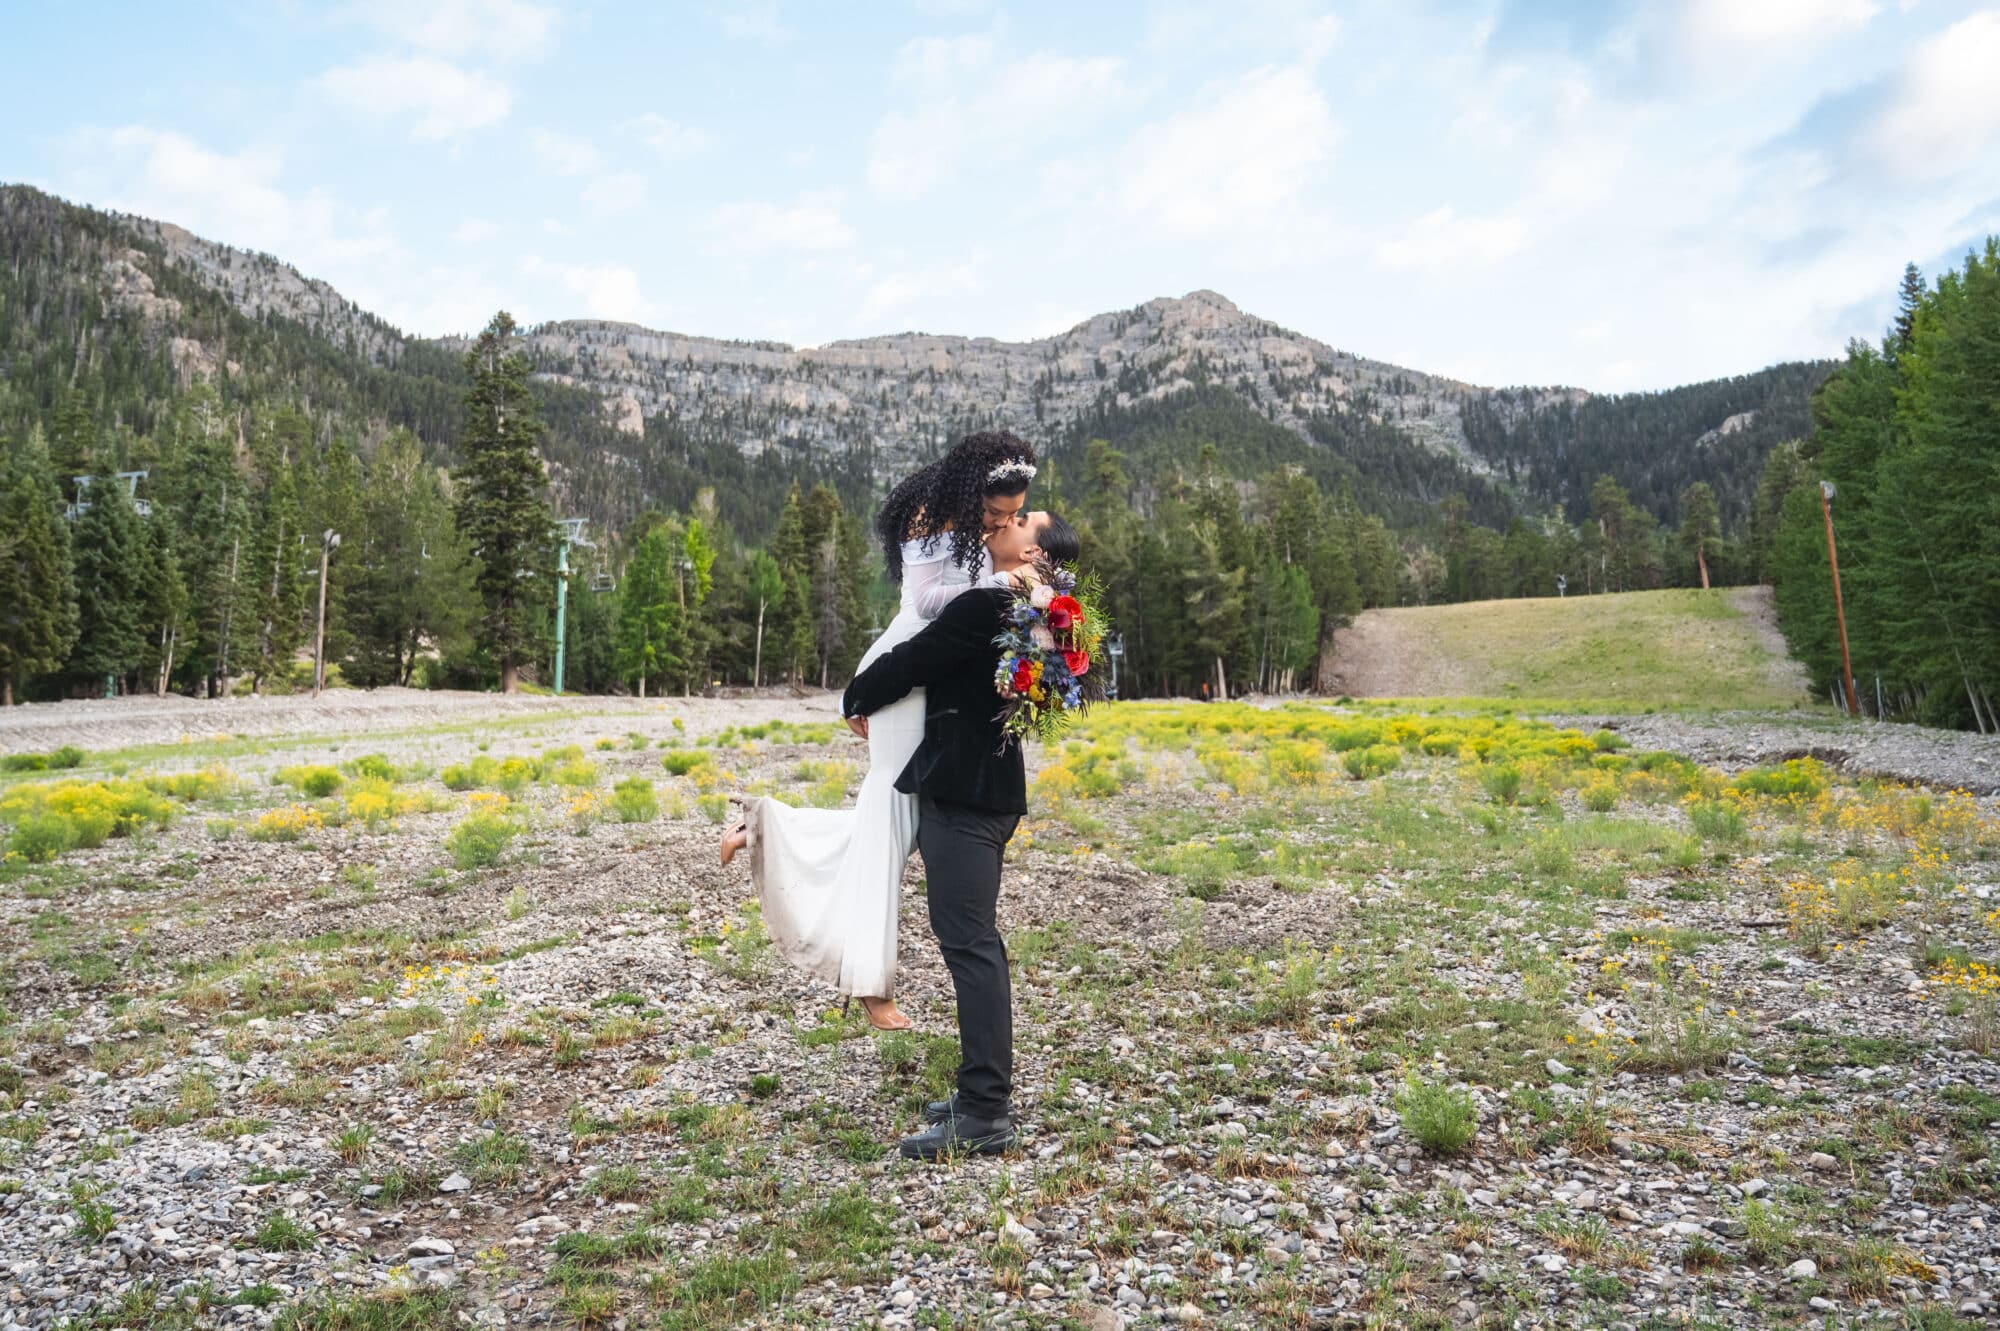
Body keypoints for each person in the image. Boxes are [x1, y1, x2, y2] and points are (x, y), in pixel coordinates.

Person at [718, 430, 1042, 1032]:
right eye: (997, 513)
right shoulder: (929, 514)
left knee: (897, 818)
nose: (1006, 523)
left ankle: (764, 828)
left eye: (1015, 514)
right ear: (971, 491)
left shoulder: (995, 531)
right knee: (892, 821)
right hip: (907, 662)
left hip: (939, 666)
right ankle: (869, 981)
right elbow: (923, 604)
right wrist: (1001, 589)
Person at [841, 508, 1080, 1160]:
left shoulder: (988, 606)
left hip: (966, 795)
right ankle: (980, 1095)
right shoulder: (1027, 610)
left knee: (971, 948)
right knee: (972, 945)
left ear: (1034, 552)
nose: (1005, 519)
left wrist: (853, 696)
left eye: (1022, 519)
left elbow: (914, 659)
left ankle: (983, 1112)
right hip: (985, 790)